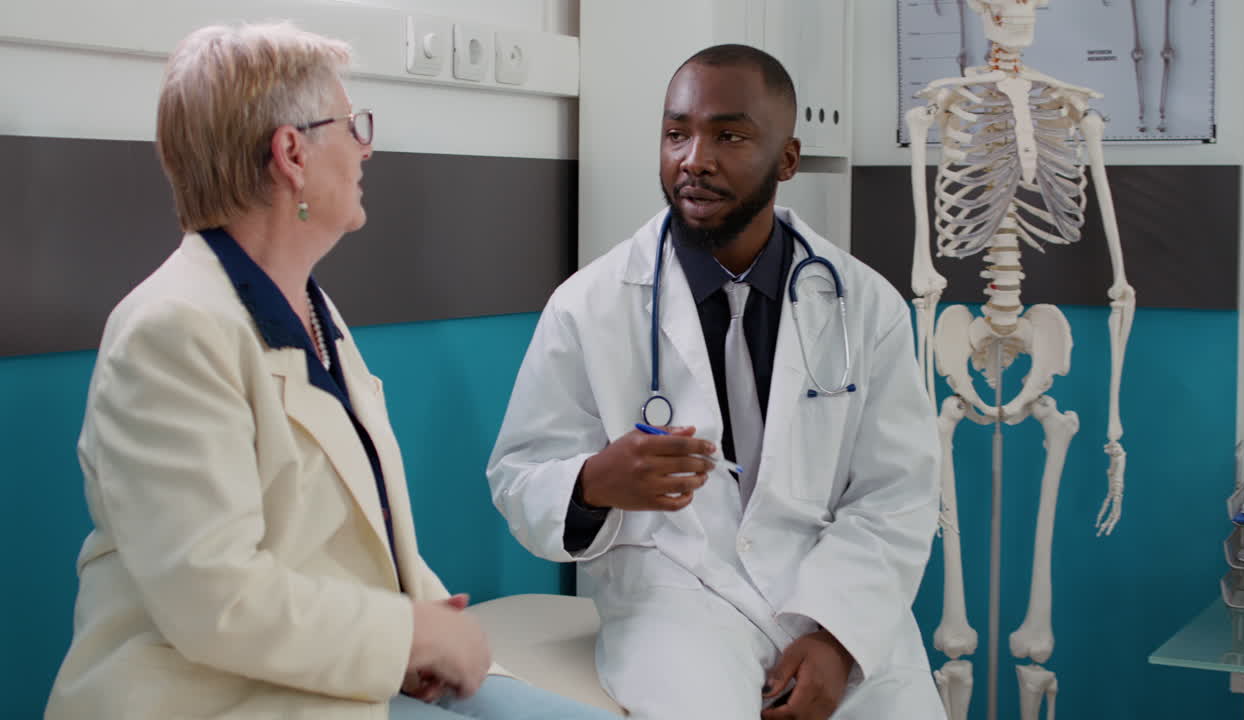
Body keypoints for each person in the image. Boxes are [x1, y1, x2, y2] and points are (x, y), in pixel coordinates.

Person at [45, 22, 619, 720]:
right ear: (291, 153)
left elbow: (352, 532)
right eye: (352, 125)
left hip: (341, 672)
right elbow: (214, 599)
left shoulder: (309, 307)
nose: (366, 146)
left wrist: (434, 626)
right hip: (220, 698)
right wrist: (412, 636)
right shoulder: (170, 333)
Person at [488, 44, 946, 719]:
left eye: (728, 135)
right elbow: (519, 473)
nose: (693, 159)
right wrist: (592, 484)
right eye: (677, 133)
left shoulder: (863, 305)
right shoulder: (591, 304)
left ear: (787, 159)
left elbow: (897, 490)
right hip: (674, 596)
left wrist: (839, 637)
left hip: (827, 590)